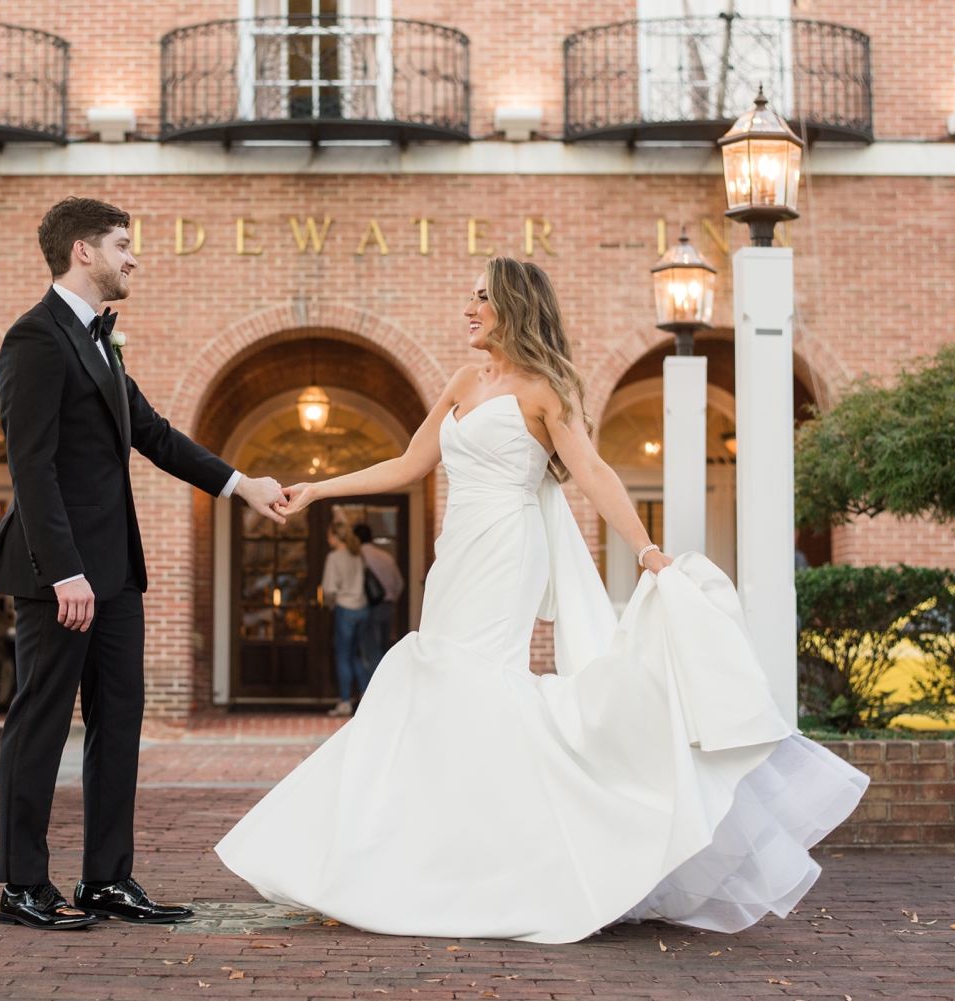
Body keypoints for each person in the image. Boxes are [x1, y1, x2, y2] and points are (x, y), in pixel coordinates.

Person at [215, 258, 868, 944]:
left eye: (481, 299)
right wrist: (319, 489)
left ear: (513, 310)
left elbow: (592, 471)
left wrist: (646, 549)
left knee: (476, 681)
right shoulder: (465, 380)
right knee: (438, 678)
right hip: (458, 551)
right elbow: (410, 464)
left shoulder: (545, 389)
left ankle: (531, 853)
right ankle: (442, 849)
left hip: (507, 549)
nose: (468, 309)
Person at [0, 197, 287, 931]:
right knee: (42, 724)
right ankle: (22, 884)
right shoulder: (35, 337)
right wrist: (63, 571)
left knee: (119, 723)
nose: (133, 257)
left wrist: (243, 485)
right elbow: (32, 466)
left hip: (116, 574)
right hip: (63, 578)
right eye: (122, 244)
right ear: (83, 251)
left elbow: (154, 433)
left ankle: (106, 878)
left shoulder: (101, 342)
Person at [320, 522, 369, 718]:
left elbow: (329, 589)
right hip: (362, 608)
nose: (327, 539)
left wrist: (331, 604)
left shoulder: (334, 557)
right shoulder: (357, 555)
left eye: (329, 535)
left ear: (335, 536)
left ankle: (345, 702)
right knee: (355, 654)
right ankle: (366, 695)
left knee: (343, 656)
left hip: (345, 609)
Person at [352, 522, 404, 672]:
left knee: (372, 651)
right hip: (388, 607)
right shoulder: (386, 556)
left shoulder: (358, 557)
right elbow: (399, 583)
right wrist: (391, 599)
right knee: (383, 648)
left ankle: (378, 692)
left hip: (370, 608)